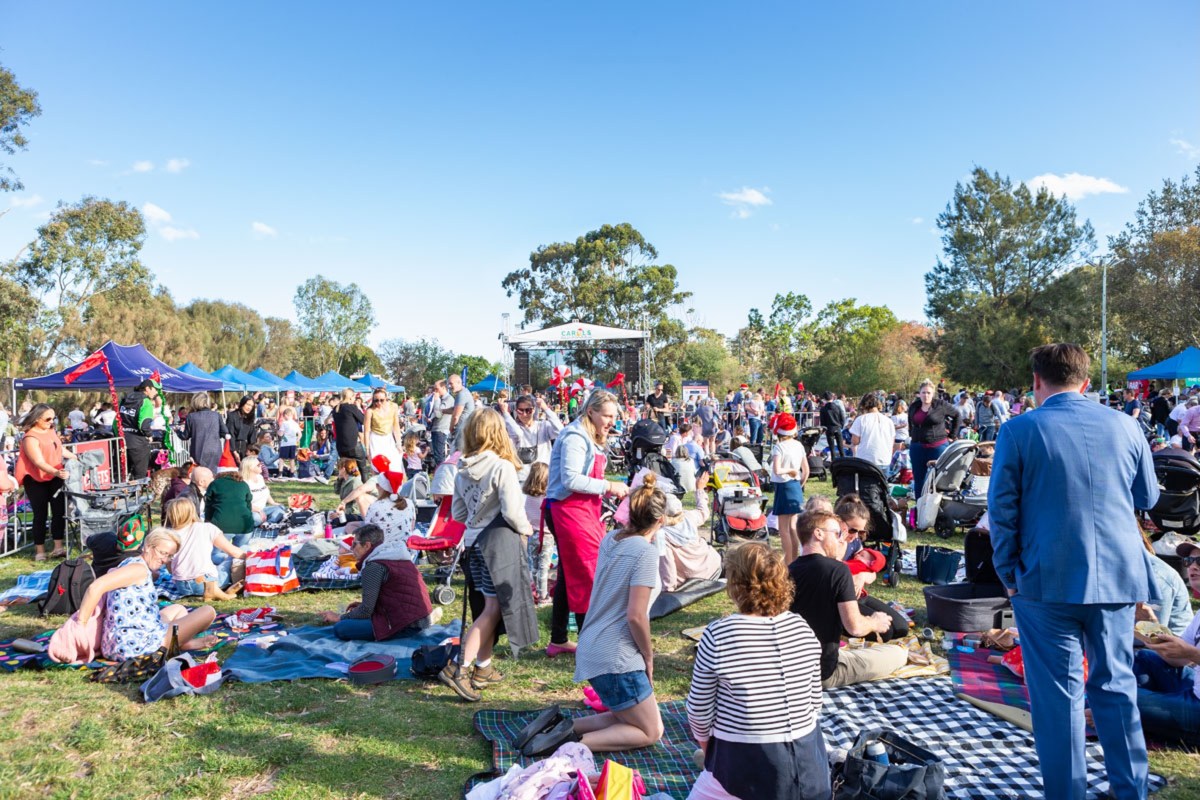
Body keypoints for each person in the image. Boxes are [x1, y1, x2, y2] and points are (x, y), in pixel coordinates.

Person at [988, 343, 1159, 800]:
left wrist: (1007, 571)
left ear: (1037, 382)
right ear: (1086, 382)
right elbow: (1149, 496)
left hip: (1045, 578)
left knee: (1059, 702)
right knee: (1116, 687)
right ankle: (1132, 791)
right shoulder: (1126, 425)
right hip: (1116, 575)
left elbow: (1001, 510)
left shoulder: (1019, 429)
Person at [519, 474, 668, 757]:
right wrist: (648, 656)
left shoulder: (611, 539)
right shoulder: (645, 553)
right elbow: (636, 615)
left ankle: (560, 727)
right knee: (651, 731)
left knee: (628, 717)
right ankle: (568, 746)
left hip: (592, 645)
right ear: (659, 521)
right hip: (617, 657)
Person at [687, 543, 827, 800]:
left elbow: (698, 712)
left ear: (735, 585)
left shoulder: (718, 634)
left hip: (747, 766)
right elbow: (815, 703)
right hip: (811, 769)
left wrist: (710, 754)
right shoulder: (801, 627)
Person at [439, 409, 538, 702]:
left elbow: (458, 513)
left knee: (486, 605)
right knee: (493, 609)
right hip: (499, 544)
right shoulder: (501, 467)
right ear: (498, 433)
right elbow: (511, 511)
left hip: (473, 543)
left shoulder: (462, 469)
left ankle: (483, 667)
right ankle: (459, 667)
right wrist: (527, 530)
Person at [545, 390, 630, 657]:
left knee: (568, 576)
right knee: (587, 575)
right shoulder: (574, 437)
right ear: (590, 411)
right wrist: (609, 486)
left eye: (614, 416)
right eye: (606, 415)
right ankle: (591, 647)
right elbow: (571, 480)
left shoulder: (587, 436)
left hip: (581, 510)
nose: (611, 422)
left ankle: (559, 638)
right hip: (569, 511)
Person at [788, 510, 905, 688]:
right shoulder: (837, 571)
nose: (841, 539)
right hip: (822, 672)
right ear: (818, 534)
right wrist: (874, 621)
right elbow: (855, 627)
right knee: (898, 653)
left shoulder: (787, 570)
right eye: (837, 534)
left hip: (791, 669)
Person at [77, 528, 218, 660]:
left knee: (178, 609)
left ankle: (182, 643)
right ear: (148, 547)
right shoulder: (138, 569)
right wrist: (80, 625)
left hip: (117, 642)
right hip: (135, 645)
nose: (165, 560)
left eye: (170, 556)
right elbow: (95, 587)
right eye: (163, 553)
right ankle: (182, 643)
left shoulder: (132, 563)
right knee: (208, 611)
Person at [318, 523, 440, 641]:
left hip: (406, 624)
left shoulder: (374, 566)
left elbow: (366, 610)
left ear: (367, 545)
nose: (351, 548)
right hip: (420, 616)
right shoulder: (398, 556)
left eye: (354, 544)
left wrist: (339, 617)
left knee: (341, 628)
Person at [1132, 540, 1200, 747]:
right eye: (1189, 560)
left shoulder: (1158, 575)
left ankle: (1108, 713)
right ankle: (1137, 715)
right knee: (1144, 658)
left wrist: (1192, 653)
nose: (1193, 566)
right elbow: (1178, 659)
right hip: (1194, 690)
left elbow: (1187, 654)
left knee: (1115, 695)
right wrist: (1150, 625)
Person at [835, 495, 908, 640]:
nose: (855, 535)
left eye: (861, 532)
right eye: (852, 530)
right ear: (839, 523)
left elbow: (872, 573)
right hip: (840, 603)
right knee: (886, 633)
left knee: (901, 627)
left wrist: (861, 577)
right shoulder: (831, 543)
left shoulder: (855, 544)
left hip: (858, 596)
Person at [15, 403, 78, 561]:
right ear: (37, 419)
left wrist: (76, 457)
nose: (51, 421)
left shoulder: (51, 432)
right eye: (48, 419)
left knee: (59, 512)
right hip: (35, 479)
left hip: (56, 476)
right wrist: (55, 471)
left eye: (53, 418)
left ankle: (58, 547)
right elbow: (37, 461)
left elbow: (60, 449)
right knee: (40, 514)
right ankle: (40, 550)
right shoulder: (30, 437)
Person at [163, 497, 245, 601]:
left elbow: (170, 569)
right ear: (192, 511)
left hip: (182, 587)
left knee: (218, 559)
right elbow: (233, 552)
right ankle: (218, 590)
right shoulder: (206, 528)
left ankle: (220, 591)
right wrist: (253, 555)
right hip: (206, 582)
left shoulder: (167, 535)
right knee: (240, 551)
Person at [908, 379, 961, 499]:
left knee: (938, 480)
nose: (926, 395)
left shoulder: (941, 405)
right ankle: (919, 507)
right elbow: (910, 422)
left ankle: (936, 509)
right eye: (923, 392)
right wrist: (912, 435)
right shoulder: (914, 406)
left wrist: (952, 435)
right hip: (917, 447)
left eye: (928, 393)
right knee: (919, 479)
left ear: (933, 394)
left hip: (937, 447)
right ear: (919, 393)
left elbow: (957, 416)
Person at [769, 413, 808, 566]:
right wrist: (800, 483)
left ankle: (788, 560)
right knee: (793, 526)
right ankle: (796, 557)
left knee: (783, 529)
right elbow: (806, 470)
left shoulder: (779, 447)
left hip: (784, 486)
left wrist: (790, 471)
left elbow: (777, 470)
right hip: (796, 486)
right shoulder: (799, 445)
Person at [500, 393, 564, 480]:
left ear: (533, 410)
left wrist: (545, 408)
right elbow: (517, 433)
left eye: (528, 410)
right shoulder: (513, 427)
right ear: (515, 411)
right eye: (520, 411)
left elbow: (560, 430)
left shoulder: (543, 425)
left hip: (543, 476)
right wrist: (505, 413)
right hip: (522, 477)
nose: (524, 414)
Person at [204, 458, 256, 545]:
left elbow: (208, 505)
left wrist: (208, 521)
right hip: (245, 525)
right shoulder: (243, 484)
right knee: (242, 552)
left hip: (221, 525)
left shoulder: (215, 484)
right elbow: (248, 504)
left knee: (218, 553)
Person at [118, 379, 160, 479]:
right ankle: (136, 493)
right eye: (155, 389)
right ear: (147, 389)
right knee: (139, 474)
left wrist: (118, 436)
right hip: (138, 443)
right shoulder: (146, 402)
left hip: (122, 441)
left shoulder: (124, 399)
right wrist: (150, 435)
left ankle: (125, 493)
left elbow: (116, 422)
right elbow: (143, 425)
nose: (156, 392)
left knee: (123, 474)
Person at [180, 392, 227, 473]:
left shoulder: (191, 416)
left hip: (198, 450)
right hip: (215, 450)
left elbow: (185, 436)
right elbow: (225, 432)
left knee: (199, 476)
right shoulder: (216, 415)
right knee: (213, 474)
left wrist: (177, 431)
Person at [847, 393, 895, 469]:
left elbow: (855, 441)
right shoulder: (889, 421)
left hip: (865, 460)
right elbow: (892, 441)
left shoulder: (860, 419)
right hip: (885, 459)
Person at [332, 388, 369, 478]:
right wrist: (359, 408)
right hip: (353, 444)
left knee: (345, 469)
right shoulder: (351, 407)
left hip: (341, 445)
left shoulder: (336, 409)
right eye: (354, 397)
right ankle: (365, 489)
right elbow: (363, 420)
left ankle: (344, 489)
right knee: (362, 468)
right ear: (350, 398)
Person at [363, 388, 403, 469]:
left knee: (394, 465)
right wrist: (367, 450)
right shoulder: (370, 411)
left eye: (382, 400)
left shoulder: (393, 406)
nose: (379, 403)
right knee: (378, 467)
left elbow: (396, 426)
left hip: (389, 439)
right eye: (376, 400)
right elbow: (366, 431)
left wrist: (399, 444)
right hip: (375, 440)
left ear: (386, 398)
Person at [240, 456, 285, 526]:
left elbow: (265, 491)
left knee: (281, 508)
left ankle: (267, 524)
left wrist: (273, 502)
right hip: (250, 511)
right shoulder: (243, 482)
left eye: (260, 463)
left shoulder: (260, 477)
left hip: (263, 509)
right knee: (256, 518)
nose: (261, 465)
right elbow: (243, 503)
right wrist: (258, 511)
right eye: (258, 465)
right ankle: (267, 522)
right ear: (250, 467)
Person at [446, 372, 476, 453]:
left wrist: (451, 428)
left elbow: (456, 415)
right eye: (448, 384)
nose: (449, 386)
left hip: (462, 429)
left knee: (458, 454)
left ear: (459, 382)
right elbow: (455, 409)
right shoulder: (464, 393)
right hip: (465, 428)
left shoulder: (462, 394)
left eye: (451, 384)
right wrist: (442, 411)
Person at [427, 380, 454, 467]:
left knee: (439, 456)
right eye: (434, 389)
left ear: (443, 387)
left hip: (441, 430)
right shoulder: (441, 399)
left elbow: (438, 414)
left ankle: (441, 474)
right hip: (435, 428)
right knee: (436, 455)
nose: (435, 391)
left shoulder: (448, 399)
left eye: (436, 389)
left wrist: (437, 400)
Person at [226, 396, 257, 461]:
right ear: (242, 403)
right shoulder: (232, 416)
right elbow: (230, 434)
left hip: (245, 449)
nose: (249, 407)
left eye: (251, 406)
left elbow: (252, 436)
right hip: (233, 447)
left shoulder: (250, 418)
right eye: (248, 404)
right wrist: (234, 451)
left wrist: (250, 450)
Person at [819, 392, 847, 459]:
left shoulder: (823, 409)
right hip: (837, 427)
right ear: (832, 397)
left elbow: (822, 421)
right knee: (841, 447)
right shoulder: (837, 407)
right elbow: (842, 417)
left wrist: (824, 429)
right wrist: (841, 426)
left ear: (824, 399)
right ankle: (843, 461)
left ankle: (833, 462)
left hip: (829, 428)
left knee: (832, 448)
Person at [276, 406, 301, 477]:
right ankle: (292, 473)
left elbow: (281, 433)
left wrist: (277, 431)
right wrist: (296, 441)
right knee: (292, 459)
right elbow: (300, 434)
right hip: (293, 443)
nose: (283, 418)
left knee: (282, 459)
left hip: (285, 444)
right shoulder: (296, 424)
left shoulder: (284, 423)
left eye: (283, 416)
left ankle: (280, 474)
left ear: (286, 415)